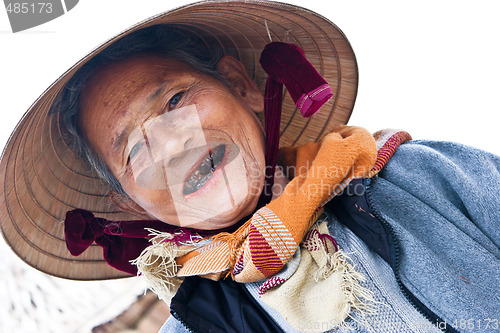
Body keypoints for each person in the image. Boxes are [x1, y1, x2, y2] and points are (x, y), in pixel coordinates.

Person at [0, 1, 498, 333]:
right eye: (135, 150)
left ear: (240, 86)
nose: (174, 145)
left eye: (176, 99)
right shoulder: (199, 321)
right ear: (128, 203)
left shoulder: (421, 179)